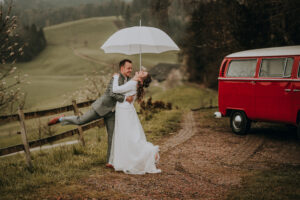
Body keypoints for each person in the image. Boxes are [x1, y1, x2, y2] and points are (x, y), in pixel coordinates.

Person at [47, 59, 135, 168]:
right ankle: (61, 119)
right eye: (128, 68)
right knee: (81, 121)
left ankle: (110, 161)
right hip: (101, 107)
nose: (130, 70)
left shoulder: (130, 80)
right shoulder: (115, 77)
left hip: (112, 113)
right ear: (122, 68)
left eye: (131, 68)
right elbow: (112, 93)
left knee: (112, 137)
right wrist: (126, 98)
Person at [108, 71, 161, 174]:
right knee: (128, 136)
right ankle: (127, 160)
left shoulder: (133, 83)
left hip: (124, 112)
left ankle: (150, 152)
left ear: (141, 79)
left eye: (143, 73)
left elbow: (115, 89)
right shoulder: (133, 82)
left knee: (129, 137)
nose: (140, 71)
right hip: (126, 110)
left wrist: (114, 77)